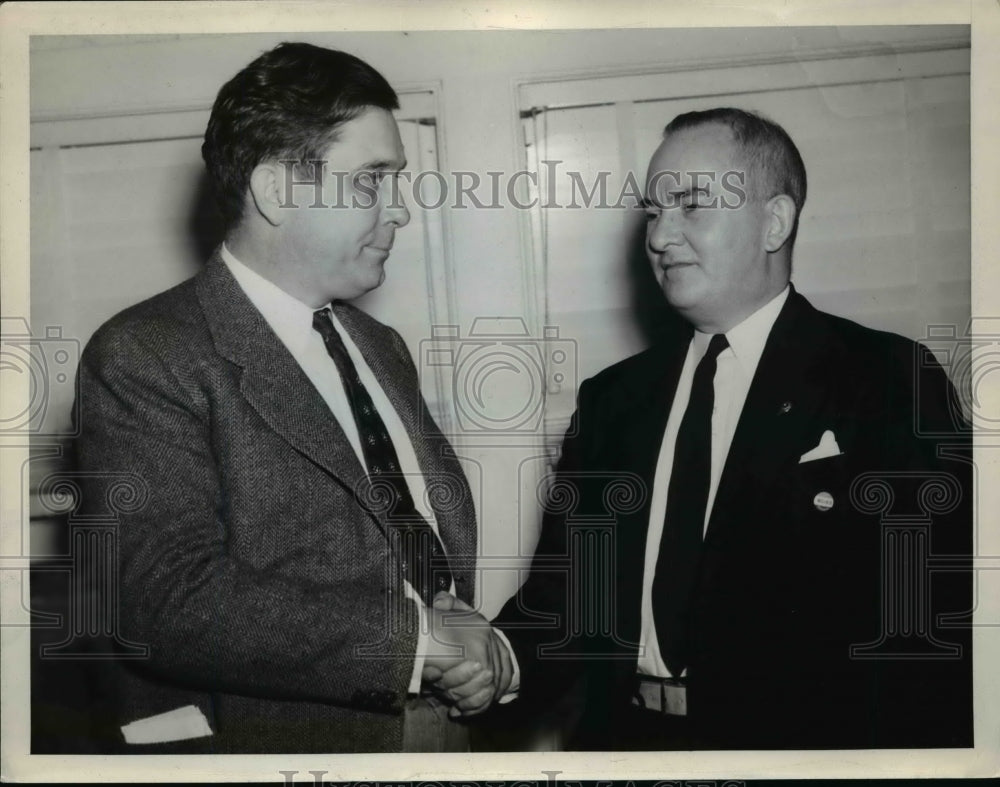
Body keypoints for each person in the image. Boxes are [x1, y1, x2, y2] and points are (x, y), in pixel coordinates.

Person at [460, 107, 973, 749]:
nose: (659, 236)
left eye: (692, 204)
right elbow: (567, 597)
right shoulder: (613, 401)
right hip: (627, 745)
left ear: (774, 222)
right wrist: (491, 658)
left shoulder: (887, 377)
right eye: (653, 211)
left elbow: (936, 621)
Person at [73, 42, 510, 754]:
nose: (399, 211)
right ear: (277, 190)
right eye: (372, 180)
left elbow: (412, 544)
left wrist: (478, 655)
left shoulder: (381, 345)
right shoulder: (147, 352)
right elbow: (166, 600)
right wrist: (421, 641)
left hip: (441, 729)